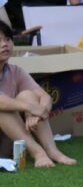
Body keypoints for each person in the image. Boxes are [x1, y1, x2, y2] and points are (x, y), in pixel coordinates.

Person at [0, 21, 77, 168]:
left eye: (7, 39)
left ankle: (52, 151)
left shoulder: (15, 71)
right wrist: (30, 108)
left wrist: (37, 114)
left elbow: (45, 97)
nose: (5, 44)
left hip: (10, 140)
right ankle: (38, 153)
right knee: (4, 108)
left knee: (27, 95)